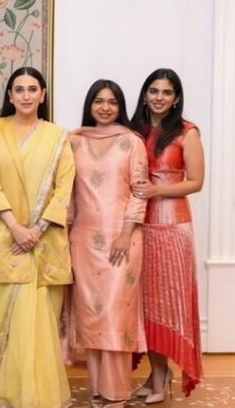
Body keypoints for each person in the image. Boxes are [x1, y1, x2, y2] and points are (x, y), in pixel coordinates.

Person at [0, 67, 74, 407]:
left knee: (42, 324)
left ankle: (43, 397)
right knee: (10, 323)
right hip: (5, 240)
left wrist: (37, 231)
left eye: (33, 89)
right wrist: (17, 229)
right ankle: (12, 395)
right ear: (10, 95)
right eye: (19, 89)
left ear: (43, 95)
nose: (26, 95)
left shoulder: (58, 136)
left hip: (45, 244)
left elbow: (64, 189)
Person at [67, 80, 148, 408]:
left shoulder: (131, 142)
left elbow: (140, 191)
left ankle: (116, 392)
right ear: (90, 105)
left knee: (116, 316)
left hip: (122, 239)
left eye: (112, 102)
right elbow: (67, 193)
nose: (105, 107)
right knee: (91, 316)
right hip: (83, 241)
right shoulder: (74, 141)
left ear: (120, 107)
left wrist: (126, 233)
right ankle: (98, 390)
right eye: (98, 101)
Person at [130, 68, 204, 403]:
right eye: (154, 91)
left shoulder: (187, 132)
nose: (159, 97)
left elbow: (196, 182)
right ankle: (157, 373)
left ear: (176, 99)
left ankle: (161, 377)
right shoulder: (135, 130)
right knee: (143, 304)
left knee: (166, 303)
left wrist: (156, 190)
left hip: (173, 227)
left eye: (167, 92)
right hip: (138, 223)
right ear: (145, 94)